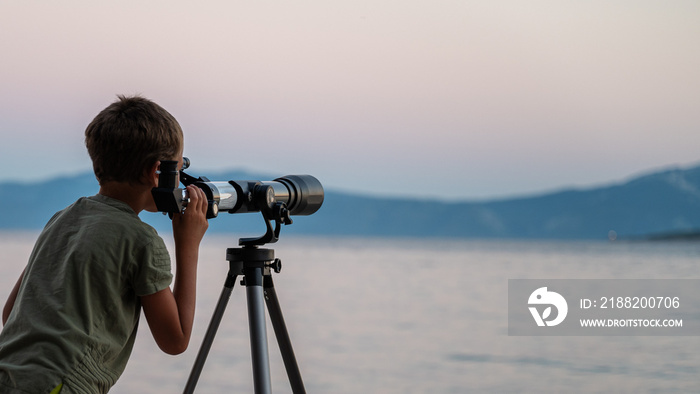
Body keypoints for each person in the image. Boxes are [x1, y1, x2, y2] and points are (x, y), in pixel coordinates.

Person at [0, 95, 209, 393]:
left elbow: (11, 313)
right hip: (61, 385)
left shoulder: (63, 218)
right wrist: (187, 245)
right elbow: (175, 341)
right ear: (156, 172)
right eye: (178, 168)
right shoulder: (142, 240)